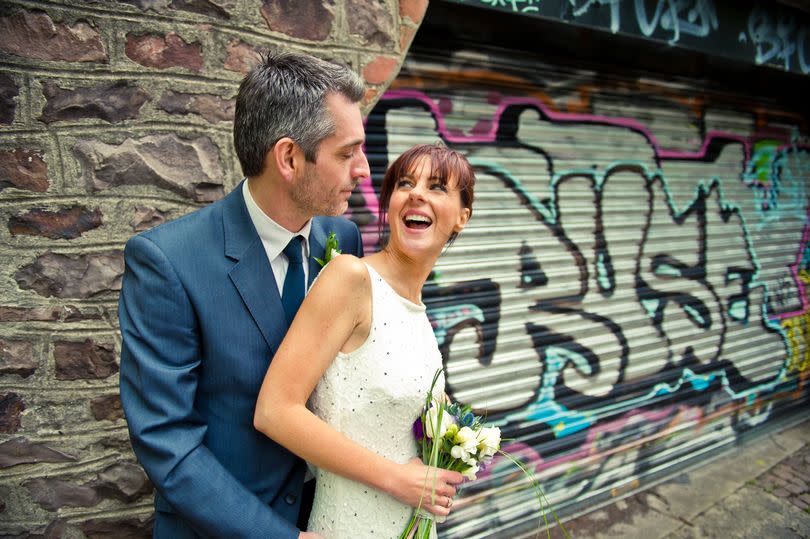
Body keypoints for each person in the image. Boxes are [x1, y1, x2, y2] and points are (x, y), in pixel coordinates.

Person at [118, 51, 370, 539]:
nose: (362, 169)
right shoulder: (167, 262)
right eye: (346, 153)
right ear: (290, 158)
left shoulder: (343, 241)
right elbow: (167, 441)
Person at [254, 143, 476, 538]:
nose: (417, 193)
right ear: (390, 203)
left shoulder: (419, 315)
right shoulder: (350, 278)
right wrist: (398, 479)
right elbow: (274, 410)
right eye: (405, 183)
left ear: (461, 217)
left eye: (438, 186)